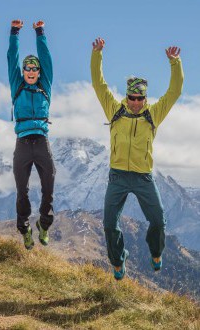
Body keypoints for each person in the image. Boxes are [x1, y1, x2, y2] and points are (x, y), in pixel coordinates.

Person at [91, 37, 184, 280]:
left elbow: (174, 92)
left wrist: (175, 63)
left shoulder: (153, 115)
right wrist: (97, 54)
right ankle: (118, 260)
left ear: (145, 98)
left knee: (158, 220)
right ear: (127, 96)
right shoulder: (115, 111)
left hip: (143, 177)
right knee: (110, 224)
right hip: (118, 176)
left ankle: (156, 253)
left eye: (139, 98)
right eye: (131, 98)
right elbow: (99, 85)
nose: (134, 102)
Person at [7, 19, 56, 250]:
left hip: (42, 142)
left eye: (35, 68)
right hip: (23, 143)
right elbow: (11, 59)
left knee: (49, 186)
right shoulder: (17, 84)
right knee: (22, 190)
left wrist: (40, 33)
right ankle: (25, 229)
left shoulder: (45, 84)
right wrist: (14, 32)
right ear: (23, 71)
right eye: (27, 68)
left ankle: (44, 225)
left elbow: (47, 58)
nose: (31, 71)